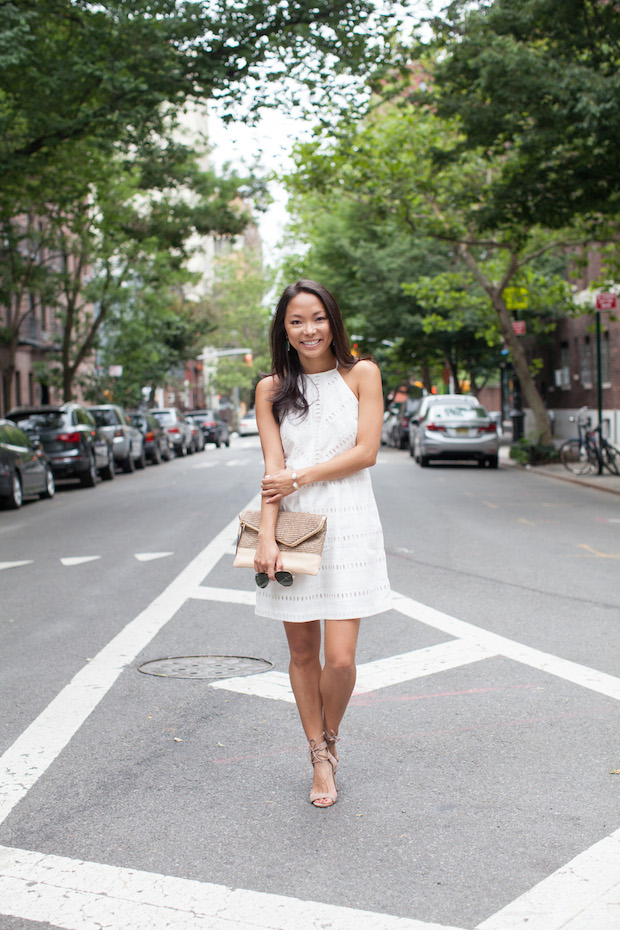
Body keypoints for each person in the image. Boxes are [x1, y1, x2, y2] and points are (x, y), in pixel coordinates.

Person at [254, 280, 391, 808]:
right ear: (283, 331)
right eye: (296, 321)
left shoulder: (362, 375)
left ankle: (330, 738)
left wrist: (300, 476)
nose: (308, 330)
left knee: (340, 659)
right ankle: (318, 756)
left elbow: (367, 452)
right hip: (295, 527)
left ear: (333, 321)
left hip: (352, 521)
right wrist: (266, 536)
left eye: (317, 318)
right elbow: (272, 472)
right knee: (302, 653)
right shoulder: (271, 389)